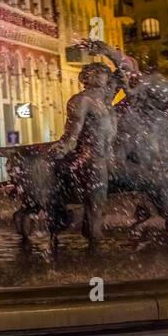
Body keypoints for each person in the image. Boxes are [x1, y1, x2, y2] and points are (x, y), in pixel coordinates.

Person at [50, 61, 119, 244]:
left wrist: (110, 54)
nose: (101, 76)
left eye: (104, 73)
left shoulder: (105, 102)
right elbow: (73, 132)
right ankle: (94, 240)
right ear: (85, 78)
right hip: (92, 158)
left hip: (108, 158)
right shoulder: (81, 101)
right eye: (96, 73)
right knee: (96, 203)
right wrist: (65, 146)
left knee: (100, 203)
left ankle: (91, 233)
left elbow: (124, 70)